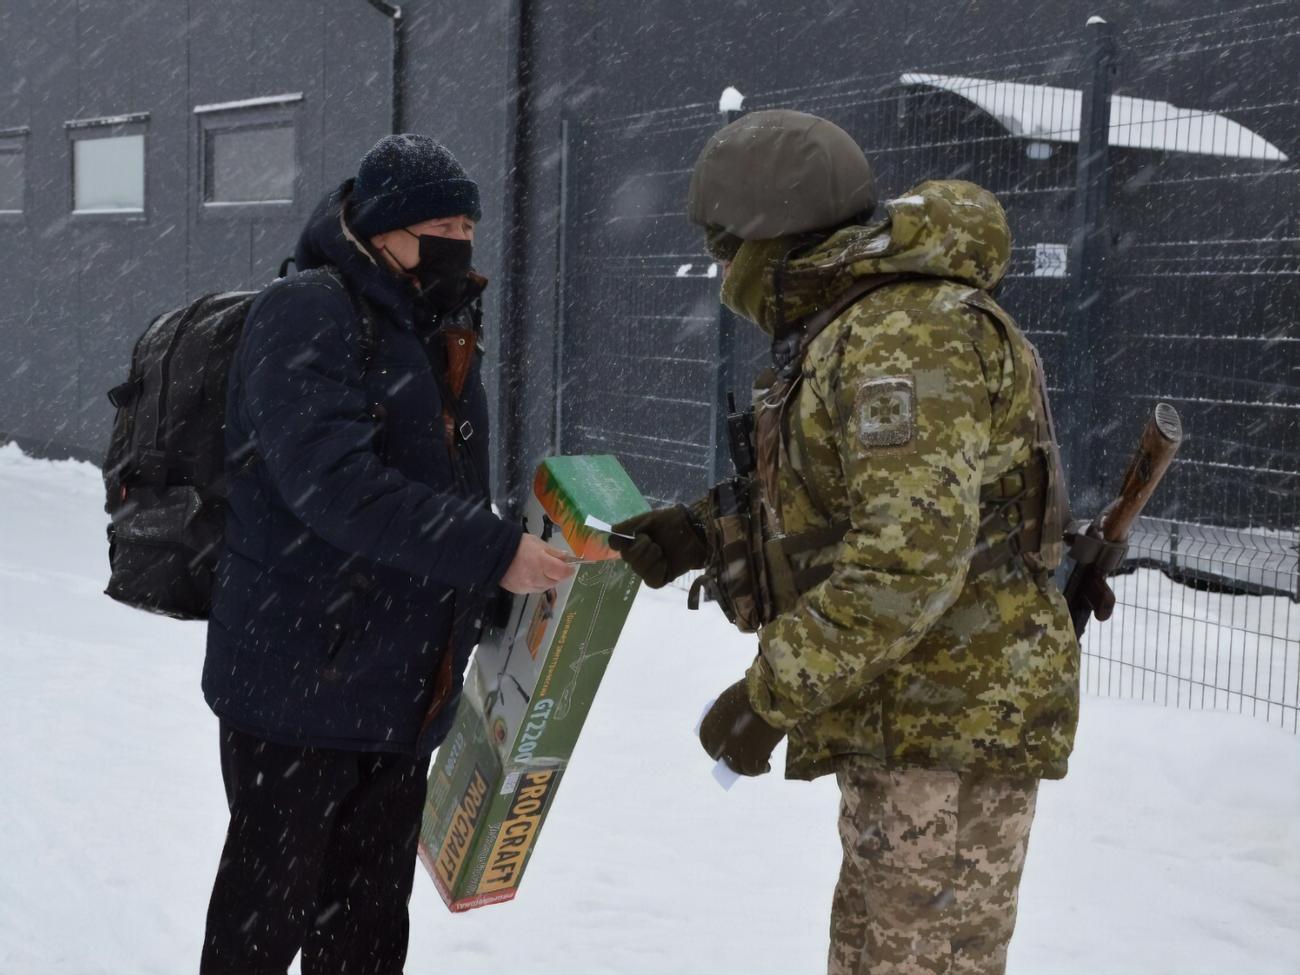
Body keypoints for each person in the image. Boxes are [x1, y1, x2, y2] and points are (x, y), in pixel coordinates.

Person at [611, 110, 1079, 975]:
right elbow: (841, 512)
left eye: (724, 250)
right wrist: (703, 534)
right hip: (908, 714)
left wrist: (769, 695)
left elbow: (908, 564)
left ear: (770, 241)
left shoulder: (901, 336)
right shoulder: (855, 324)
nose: (722, 275)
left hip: (948, 722)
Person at [199, 133, 572, 974]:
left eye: (470, 224)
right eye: (441, 222)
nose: (461, 240)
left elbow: (443, 486)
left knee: (366, 933)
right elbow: (332, 485)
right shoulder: (306, 311)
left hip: (401, 692)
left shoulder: (437, 323)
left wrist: (496, 587)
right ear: (382, 226)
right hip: (299, 685)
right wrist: (488, 551)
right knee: (261, 927)